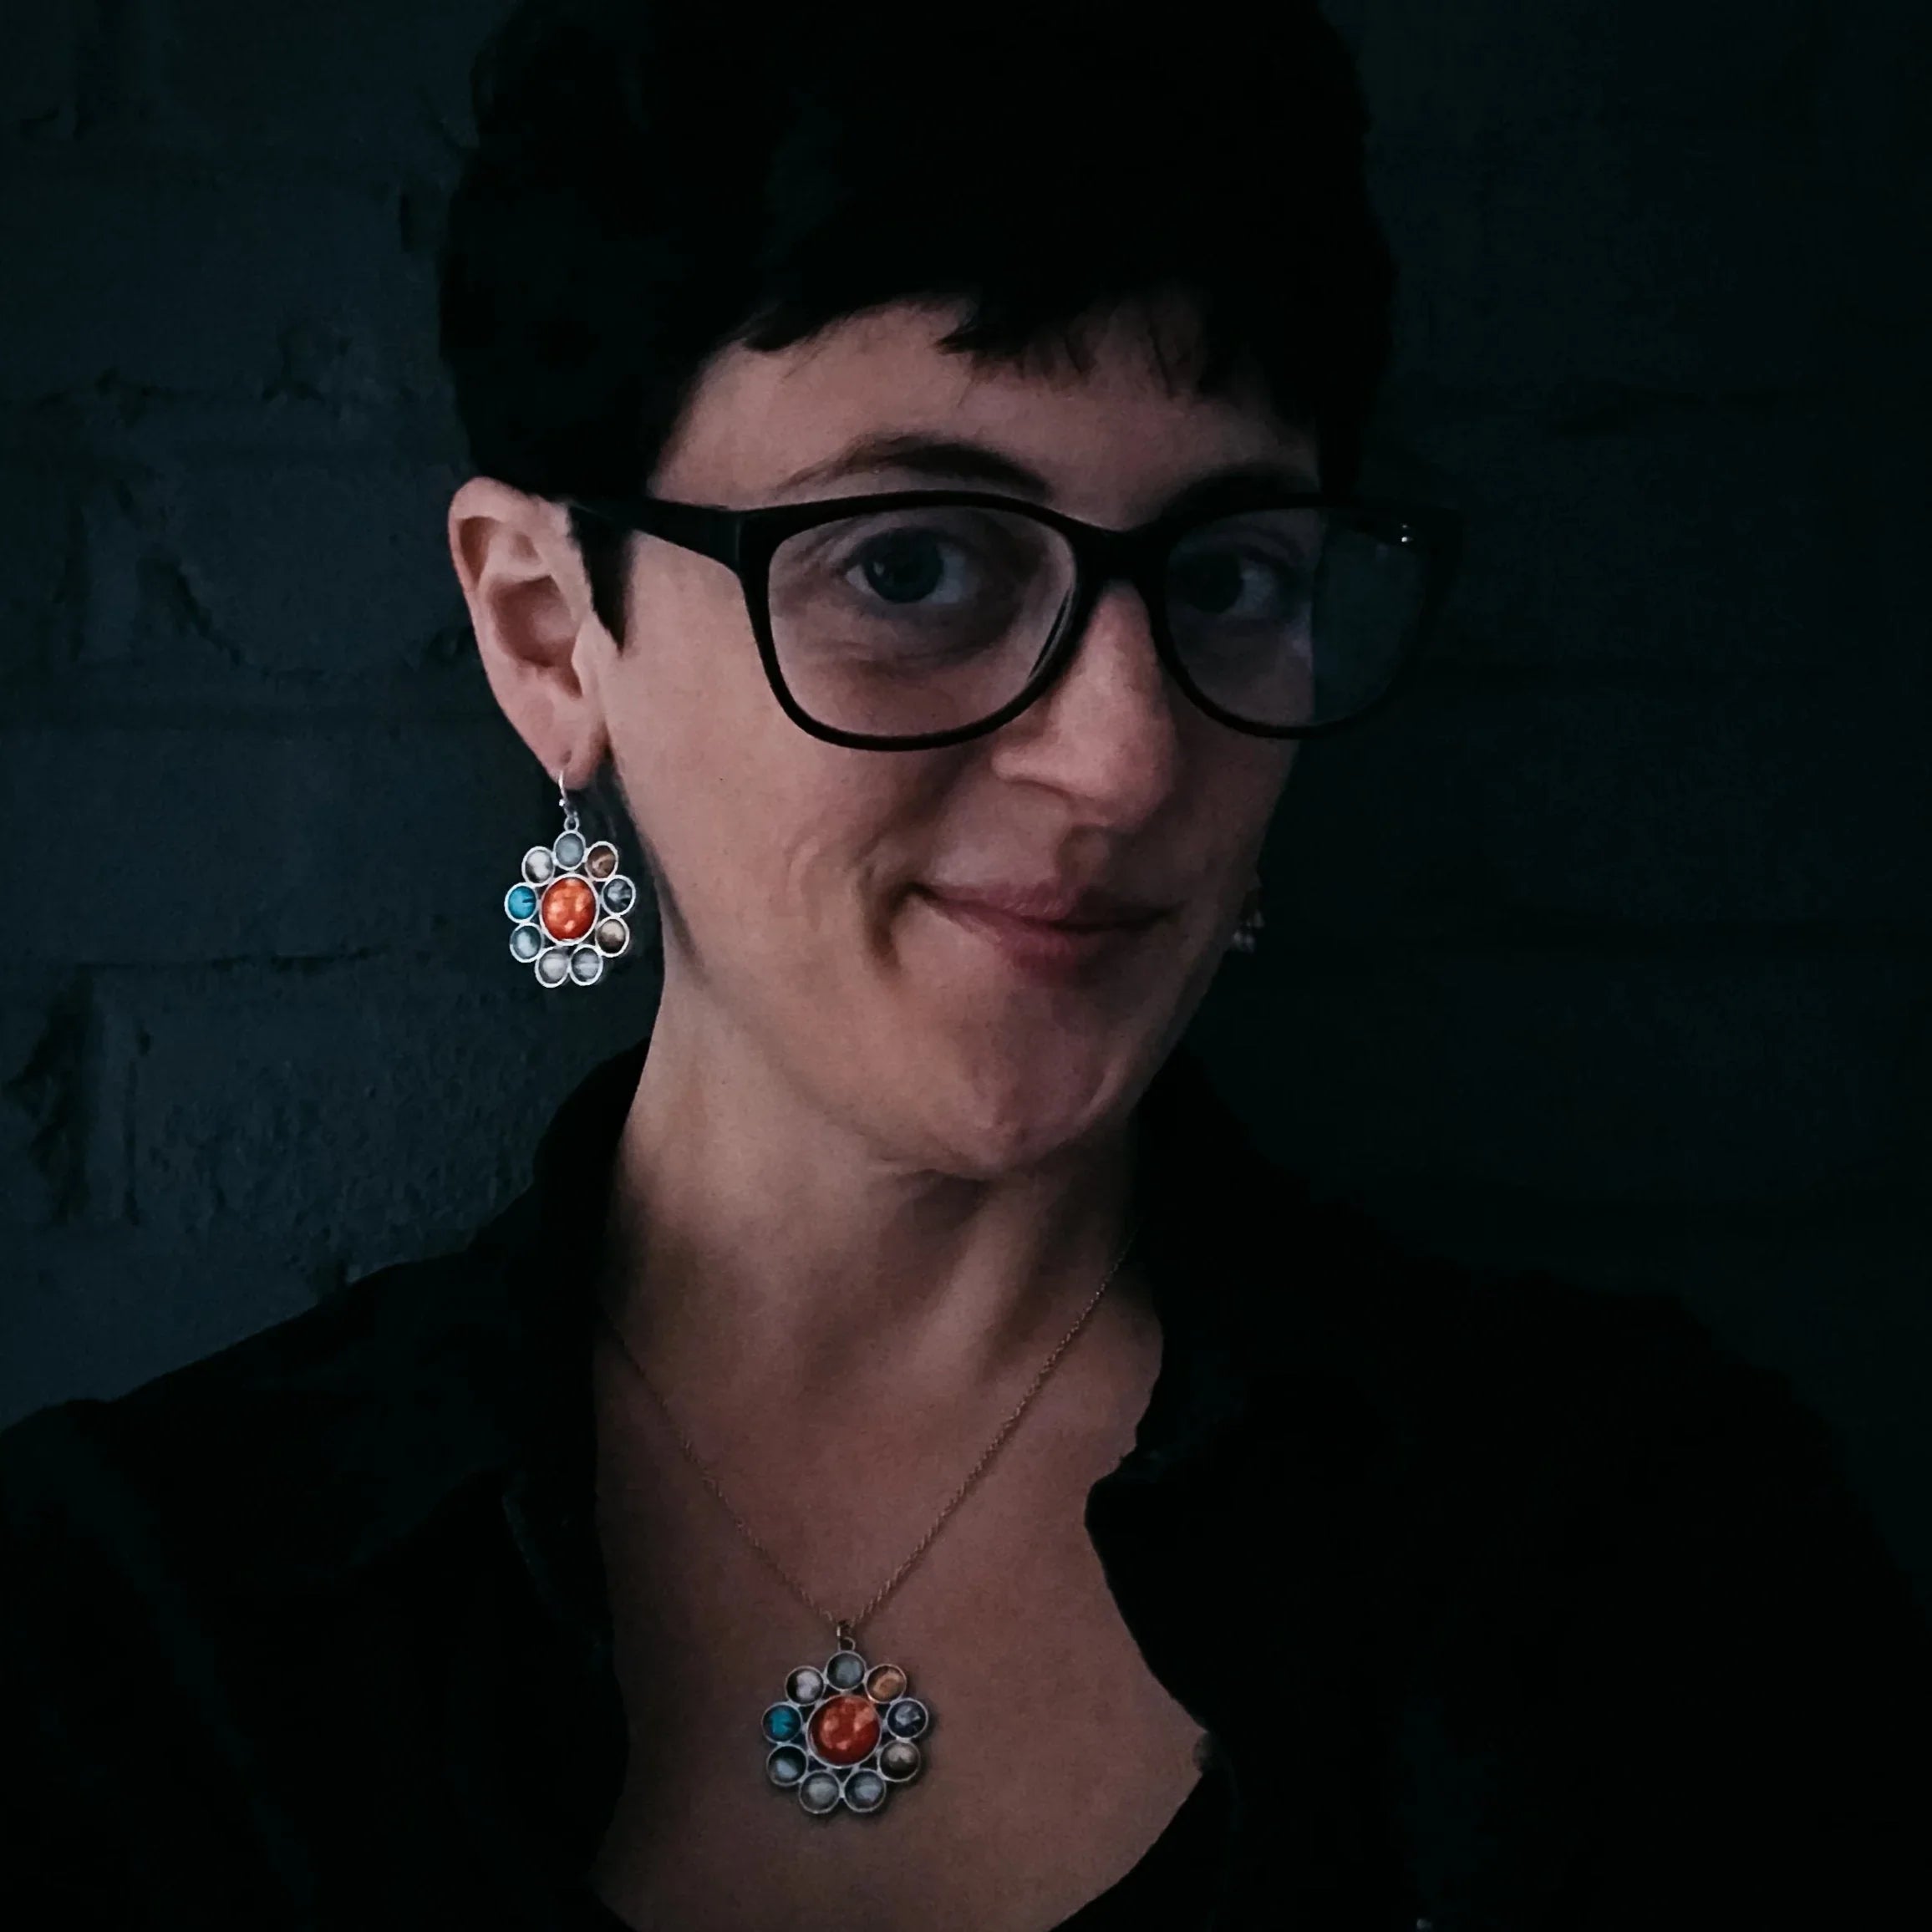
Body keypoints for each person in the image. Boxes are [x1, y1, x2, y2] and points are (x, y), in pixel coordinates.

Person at [3, 2, 1927, 1927]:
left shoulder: (1636, 1564)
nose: (1128, 760)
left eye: (1231, 574)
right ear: (547, 632)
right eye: (912, 565)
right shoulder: (123, 1639)